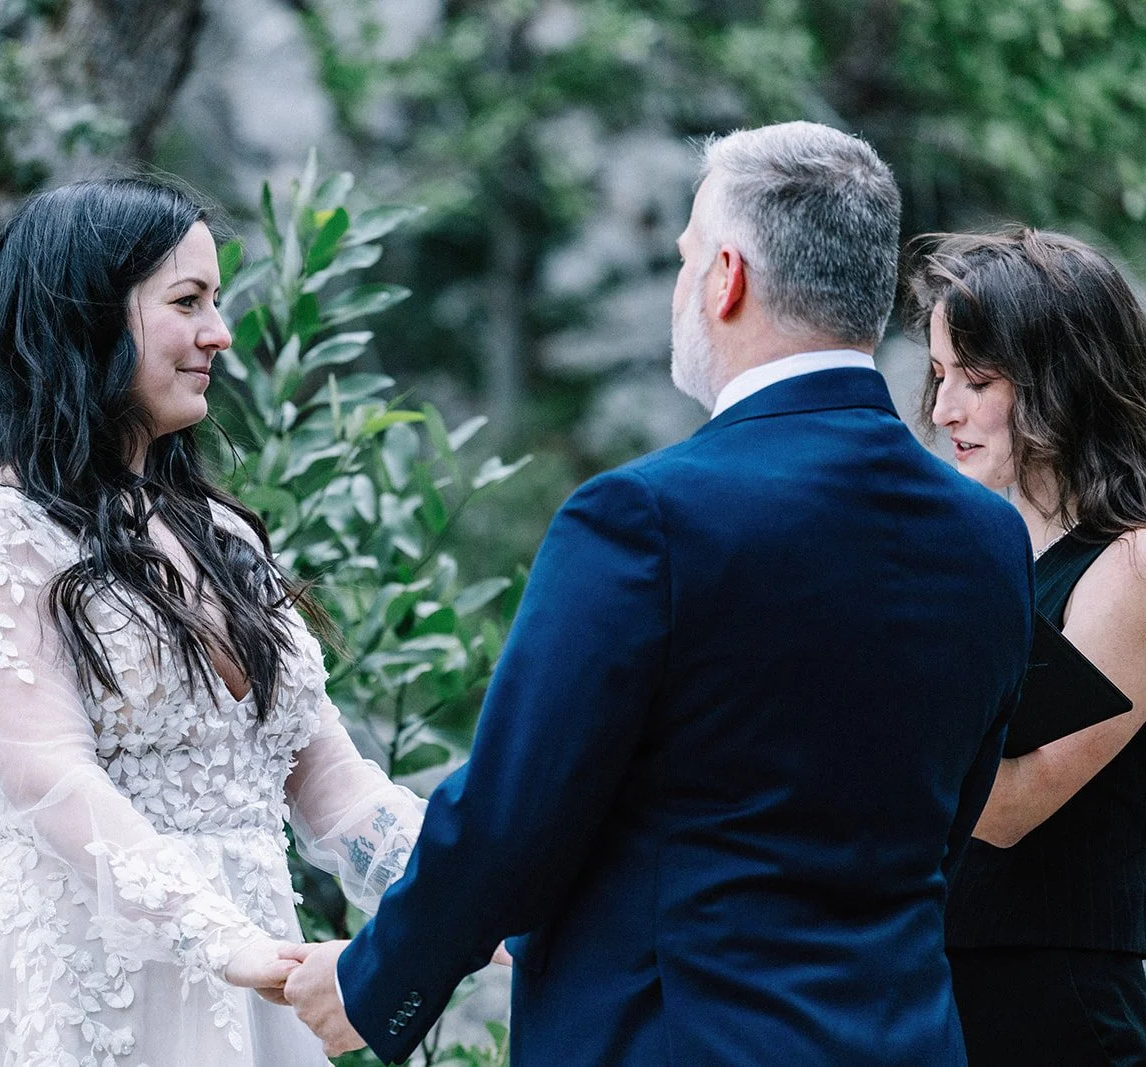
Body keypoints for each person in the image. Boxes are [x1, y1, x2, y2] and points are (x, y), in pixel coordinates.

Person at [280, 121, 1033, 1065]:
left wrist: (375, 984)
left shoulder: (643, 517)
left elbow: (514, 816)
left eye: (684, 259)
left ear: (726, 277)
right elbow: (943, 830)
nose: (682, 286)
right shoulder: (988, 535)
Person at [0, 176, 425, 1066]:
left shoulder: (220, 535)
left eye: (216, 302)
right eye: (188, 302)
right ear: (87, 317)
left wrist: (469, 896)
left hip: (249, 985)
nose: (219, 333)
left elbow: (335, 787)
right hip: (82, 984)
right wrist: (223, 940)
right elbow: (56, 786)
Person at [911, 228, 1146, 1065]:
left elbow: (1011, 808)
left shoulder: (1132, 560)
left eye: (975, 381)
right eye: (940, 377)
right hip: (951, 982)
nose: (942, 412)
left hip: (1057, 1001)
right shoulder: (996, 544)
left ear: (1061, 379)